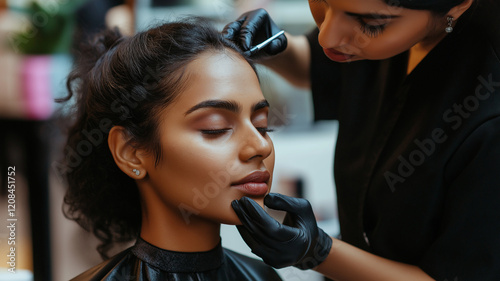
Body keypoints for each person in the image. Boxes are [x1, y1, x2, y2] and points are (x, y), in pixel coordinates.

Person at [224, 0, 500, 280]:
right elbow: (326, 68)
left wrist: (317, 252)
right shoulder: (370, 26)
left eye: (371, 24)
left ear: (457, 6)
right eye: (323, 2)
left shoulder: (489, 106)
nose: (326, 36)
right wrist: (279, 48)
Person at [59, 18, 282, 281]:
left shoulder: (263, 277)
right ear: (131, 151)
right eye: (216, 128)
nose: (260, 145)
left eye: (262, 126)